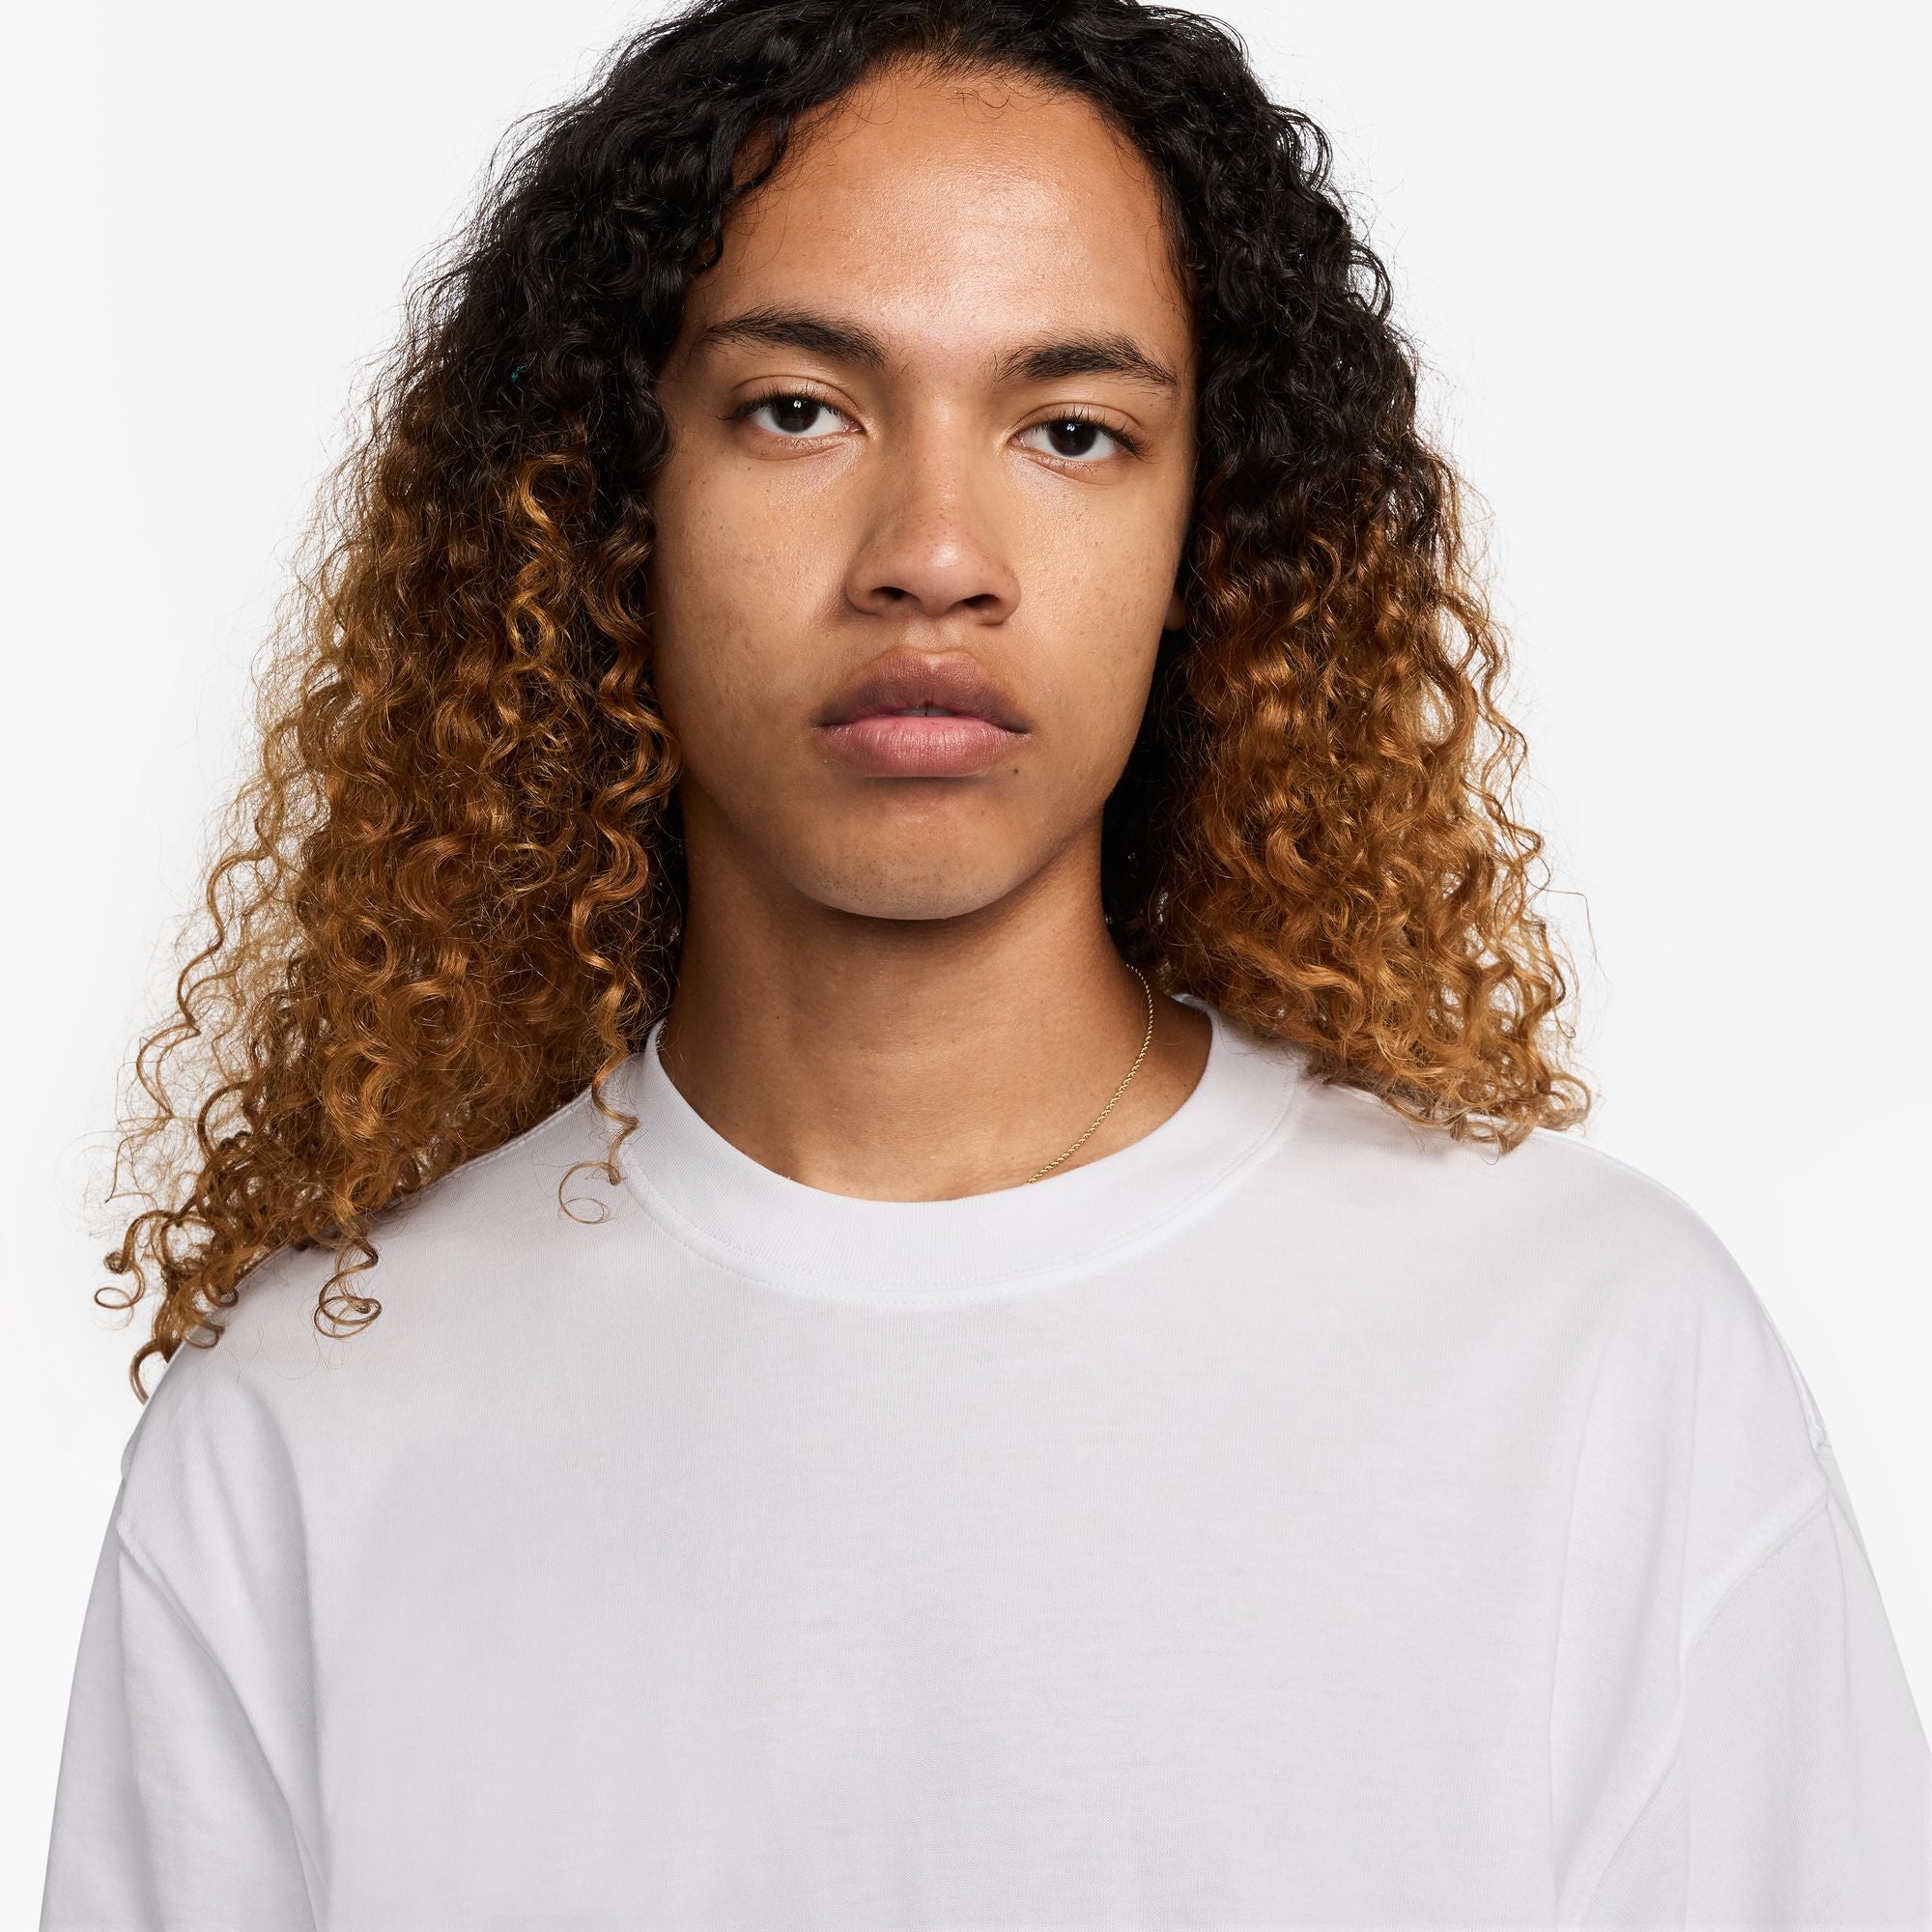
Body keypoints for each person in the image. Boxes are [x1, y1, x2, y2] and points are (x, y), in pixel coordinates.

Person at [39, 0, 1931, 1925]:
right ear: (611, 508)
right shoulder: (310, 1429)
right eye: (798, 409)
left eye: (1072, 430)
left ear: (1209, 537)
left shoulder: (1587, 1357)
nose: (935, 553)